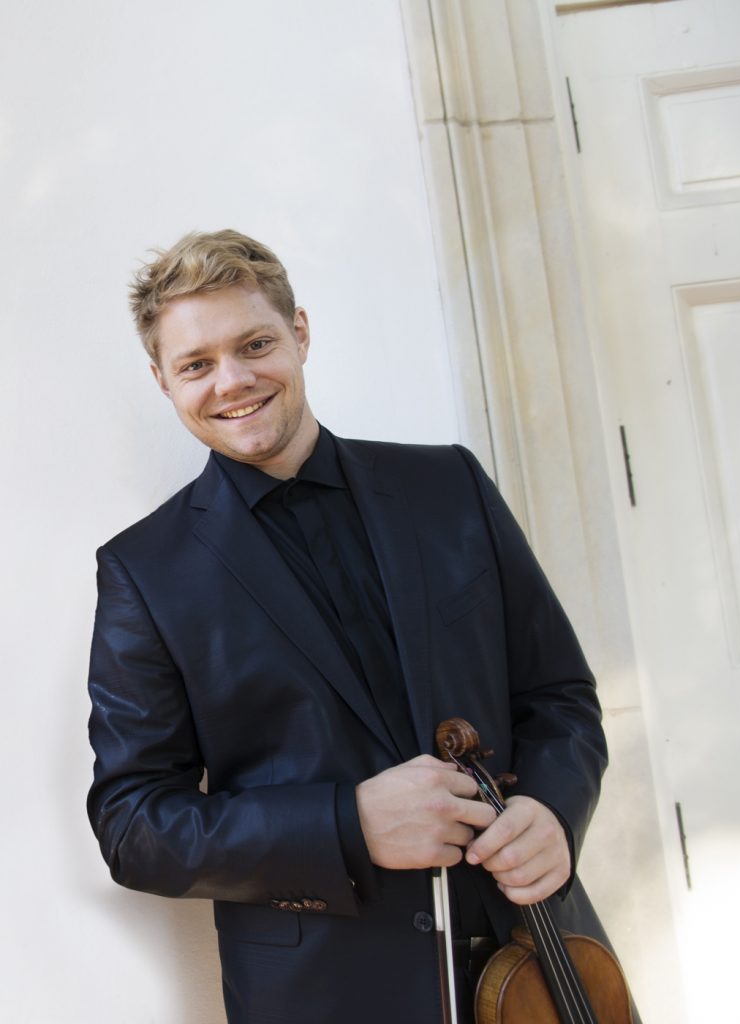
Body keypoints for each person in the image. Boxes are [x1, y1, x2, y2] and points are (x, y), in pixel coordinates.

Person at [87, 229, 612, 1023]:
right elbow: (133, 827)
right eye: (196, 364)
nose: (232, 380)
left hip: (537, 961)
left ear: (299, 333)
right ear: (163, 381)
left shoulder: (449, 484)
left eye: (254, 344)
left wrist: (554, 809)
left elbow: (558, 694)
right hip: (327, 993)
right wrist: (347, 825)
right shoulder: (145, 571)